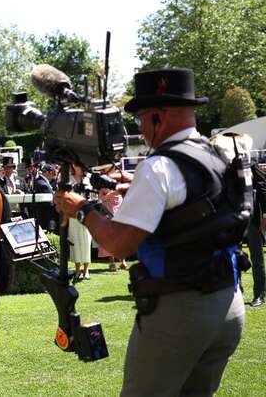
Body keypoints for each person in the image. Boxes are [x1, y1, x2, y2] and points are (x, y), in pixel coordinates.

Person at [54, 68, 246, 396]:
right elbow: (197, 211)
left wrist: (82, 209)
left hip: (178, 313)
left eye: (142, 118)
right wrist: (139, 190)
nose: (140, 128)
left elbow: (119, 244)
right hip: (228, 306)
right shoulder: (217, 153)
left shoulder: (158, 167)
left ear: (158, 117)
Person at [247, 157, 266, 306]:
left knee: (256, 257)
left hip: (253, 217)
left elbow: (263, 187)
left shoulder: (251, 165)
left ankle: (259, 294)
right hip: (232, 219)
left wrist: (265, 214)